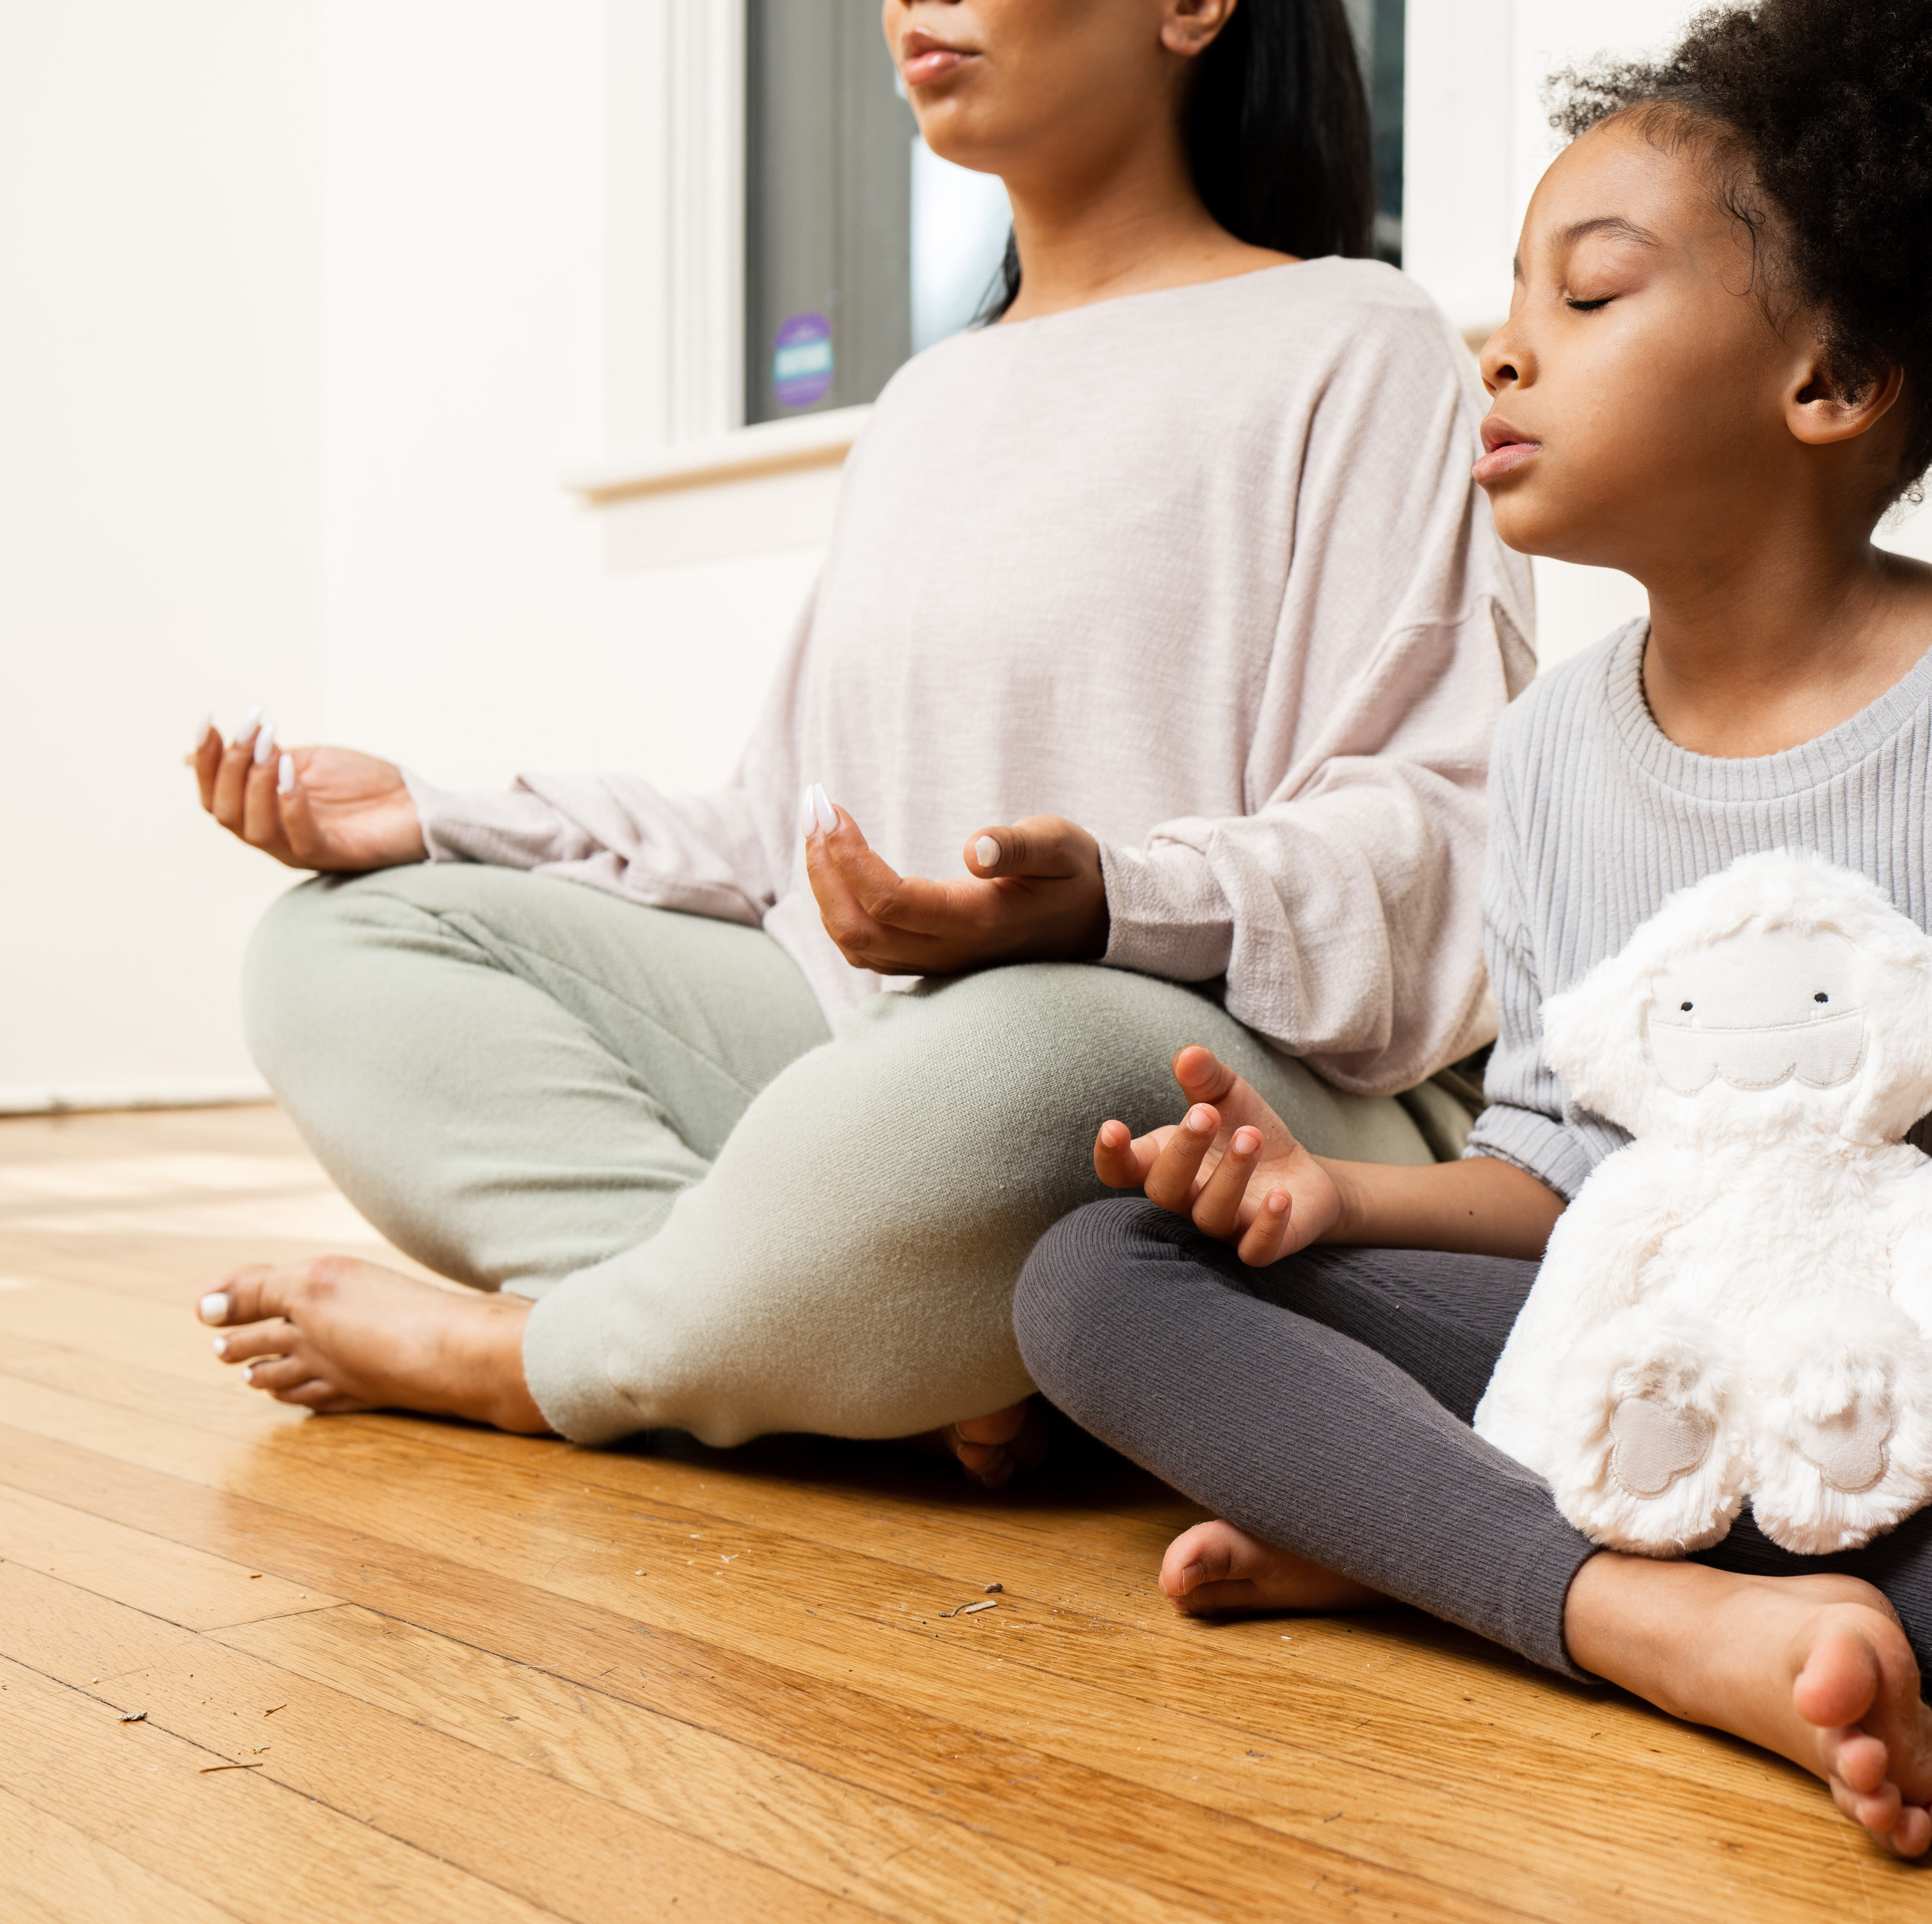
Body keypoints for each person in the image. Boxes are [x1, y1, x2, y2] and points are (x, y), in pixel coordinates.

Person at [1012, 0, 1932, 1859]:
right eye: (1516, 294)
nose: (1502, 349)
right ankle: (1652, 1614)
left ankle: (1451, 1539)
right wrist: (1329, 1198)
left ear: (1830, 376)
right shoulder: (1551, 751)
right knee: (1095, 1275)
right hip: (1638, 1341)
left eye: (1589, 300)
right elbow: (1561, 1168)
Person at [187, 0, 1530, 1479]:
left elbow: (1444, 842)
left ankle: (553, 1357)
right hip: (870, 1085)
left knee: (1011, 1057)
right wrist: (440, 821)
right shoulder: (927, 403)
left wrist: (1108, 905)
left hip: (1213, 1100)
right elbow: (782, 837)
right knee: (339, 949)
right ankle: (847, 1353)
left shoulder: (1361, 341)